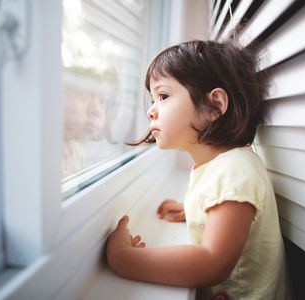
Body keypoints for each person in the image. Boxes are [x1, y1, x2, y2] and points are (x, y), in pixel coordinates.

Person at [106, 40, 289, 300]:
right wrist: (197, 210)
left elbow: (212, 262)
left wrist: (125, 260)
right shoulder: (222, 167)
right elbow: (227, 206)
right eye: (153, 99)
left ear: (214, 106)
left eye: (164, 96)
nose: (151, 110)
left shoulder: (235, 171)